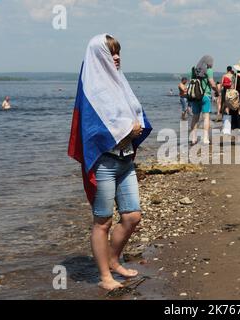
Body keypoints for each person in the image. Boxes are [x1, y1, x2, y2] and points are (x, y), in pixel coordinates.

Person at [68, 34, 152, 291]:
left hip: (125, 161)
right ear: (98, 56)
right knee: (102, 221)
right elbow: (92, 132)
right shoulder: (93, 89)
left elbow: (130, 116)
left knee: (133, 216)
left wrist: (132, 131)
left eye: (118, 52)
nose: (116, 57)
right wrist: (128, 132)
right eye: (111, 53)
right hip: (104, 163)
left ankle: (114, 260)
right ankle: (105, 276)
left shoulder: (119, 83)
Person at [189, 55, 220, 145]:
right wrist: (217, 91)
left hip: (195, 96)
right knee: (206, 117)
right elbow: (212, 83)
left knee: (195, 117)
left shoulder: (193, 70)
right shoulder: (209, 70)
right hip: (205, 96)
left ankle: (193, 138)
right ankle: (205, 138)